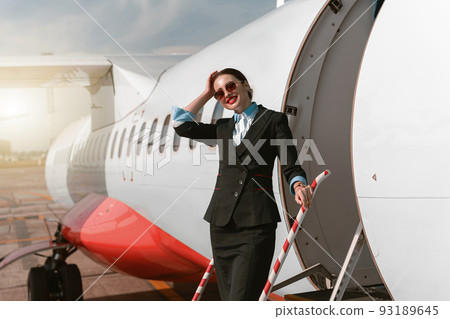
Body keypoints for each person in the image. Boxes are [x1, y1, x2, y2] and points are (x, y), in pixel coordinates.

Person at [172, 68, 312, 300]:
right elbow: (181, 124)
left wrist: (298, 185)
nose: (226, 94)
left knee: (242, 298)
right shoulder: (222, 128)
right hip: (221, 224)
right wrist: (207, 94)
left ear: (245, 84)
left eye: (230, 86)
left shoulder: (273, 120)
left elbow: (290, 164)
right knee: (229, 298)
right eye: (219, 93)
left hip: (256, 224)